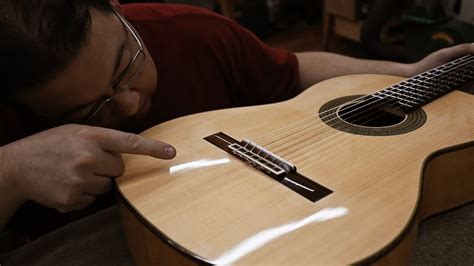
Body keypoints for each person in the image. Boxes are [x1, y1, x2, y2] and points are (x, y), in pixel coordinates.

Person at [0, 0, 472, 264]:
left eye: (128, 63)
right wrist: (11, 171)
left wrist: (403, 70)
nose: (128, 101)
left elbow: (292, 69)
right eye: (89, 108)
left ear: (117, 9)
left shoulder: (193, 32)